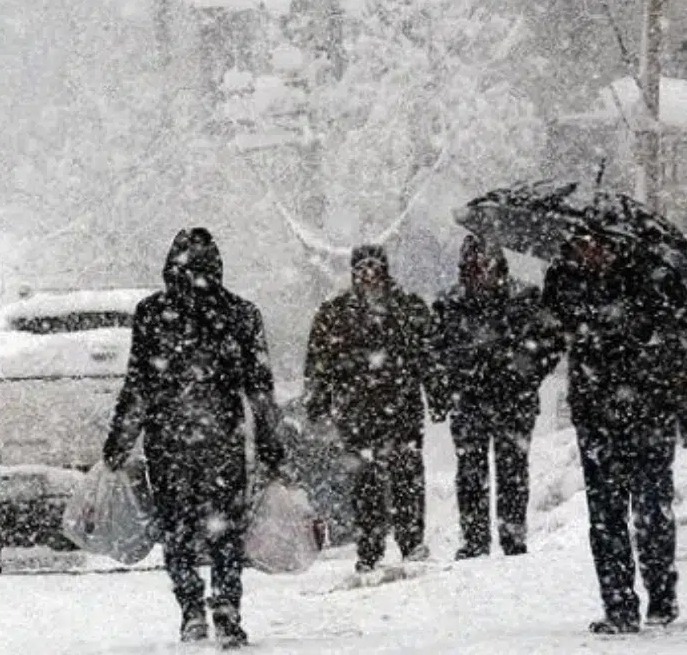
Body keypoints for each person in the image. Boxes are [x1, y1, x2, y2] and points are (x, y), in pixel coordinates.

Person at [104, 228, 284, 650]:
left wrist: (119, 441)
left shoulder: (152, 314)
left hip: (169, 442)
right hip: (221, 439)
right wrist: (271, 442)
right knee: (225, 532)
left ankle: (191, 611)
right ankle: (226, 610)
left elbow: (139, 386)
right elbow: (259, 387)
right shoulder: (240, 313)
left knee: (178, 530)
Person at [542, 233, 687, 634]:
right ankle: (619, 605)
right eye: (581, 244)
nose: (590, 251)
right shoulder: (564, 280)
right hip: (596, 414)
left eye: (597, 243)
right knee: (605, 515)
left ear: (614, 243)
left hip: (649, 411)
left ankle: (661, 595)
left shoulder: (652, 276)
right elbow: (545, 338)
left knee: (651, 509)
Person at [303, 244, 435, 574]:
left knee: (406, 477)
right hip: (357, 410)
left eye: (374, 267)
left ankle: (411, 540)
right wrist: (318, 403)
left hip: (401, 407)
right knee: (365, 484)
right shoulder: (335, 314)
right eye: (362, 268)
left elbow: (429, 357)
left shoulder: (408, 308)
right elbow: (318, 364)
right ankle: (370, 547)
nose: (368, 274)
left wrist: (438, 395)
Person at [430, 235, 562, 559]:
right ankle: (475, 541)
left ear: (499, 267)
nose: (480, 273)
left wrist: (528, 371)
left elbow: (552, 342)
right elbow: (432, 353)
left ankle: (513, 538)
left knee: (512, 471)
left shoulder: (525, 299)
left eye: (485, 266)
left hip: (513, 400)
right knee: (471, 472)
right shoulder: (448, 305)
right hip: (469, 400)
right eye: (473, 267)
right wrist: (443, 389)